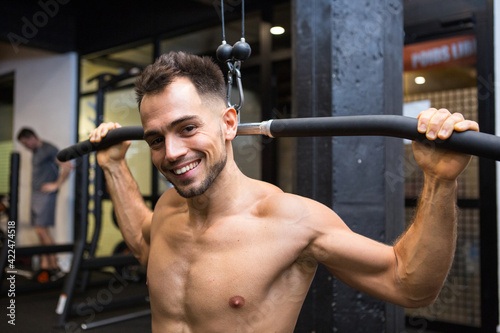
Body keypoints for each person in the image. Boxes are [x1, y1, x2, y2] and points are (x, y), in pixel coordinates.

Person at [89, 51, 479, 332]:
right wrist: (113, 166)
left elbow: (409, 285)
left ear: (228, 123)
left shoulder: (293, 221)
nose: (172, 153)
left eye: (188, 128)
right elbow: (144, 245)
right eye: (156, 139)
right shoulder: (169, 208)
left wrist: (439, 180)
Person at [17, 128, 72, 279]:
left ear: (32, 137)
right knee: (40, 231)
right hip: (35, 195)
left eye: (25, 143)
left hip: (45, 196)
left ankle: (55, 266)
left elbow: (67, 165)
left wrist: (56, 184)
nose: (26, 147)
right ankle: (45, 265)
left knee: (42, 230)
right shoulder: (35, 151)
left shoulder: (49, 149)